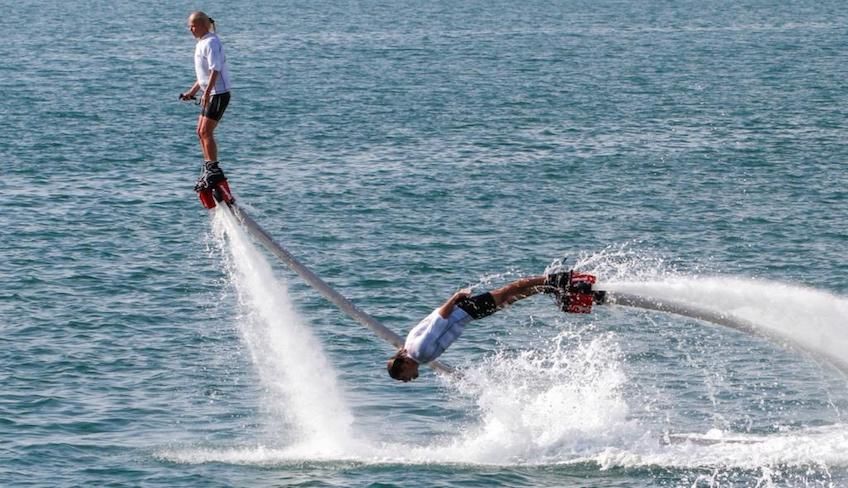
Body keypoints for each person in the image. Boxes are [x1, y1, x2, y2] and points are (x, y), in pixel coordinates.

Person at [387, 271, 578, 382]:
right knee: (508, 298)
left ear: (404, 366)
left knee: (508, 292)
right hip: (466, 314)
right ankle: (550, 287)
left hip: (464, 311)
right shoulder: (409, 348)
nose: (407, 380)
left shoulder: (420, 353)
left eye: (403, 377)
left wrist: (454, 298)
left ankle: (554, 280)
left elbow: (439, 319)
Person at [180, 11, 233, 193]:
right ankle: (209, 166)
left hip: (218, 94)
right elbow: (203, 76)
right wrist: (192, 92)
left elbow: (215, 70)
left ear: (202, 25)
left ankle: (214, 169)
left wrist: (208, 92)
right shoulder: (201, 43)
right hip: (210, 93)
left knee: (205, 131)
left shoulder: (211, 42)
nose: (190, 29)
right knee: (199, 131)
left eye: (193, 26)